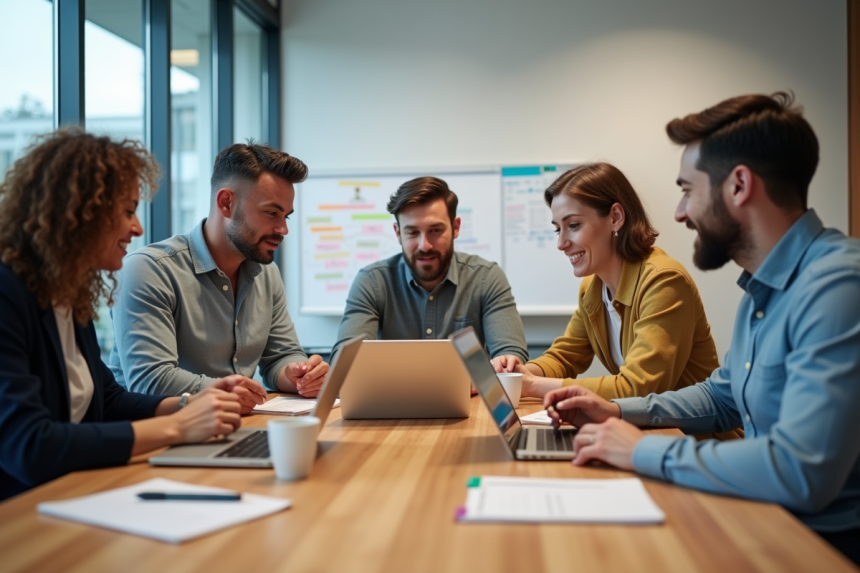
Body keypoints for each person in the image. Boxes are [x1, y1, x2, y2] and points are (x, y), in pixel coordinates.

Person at [544, 93, 860, 565]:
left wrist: (645, 453)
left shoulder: (837, 287)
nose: (678, 212)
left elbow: (802, 471)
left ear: (738, 186)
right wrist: (614, 409)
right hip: (766, 514)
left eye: (688, 190)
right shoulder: (764, 287)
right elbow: (722, 398)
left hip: (818, 544)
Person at [0, 129, 245, 500]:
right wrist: (177, 427)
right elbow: (30, 445)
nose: (138, 227)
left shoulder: (68, 294)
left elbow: (108, 400)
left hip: (77, 490)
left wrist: (190, 404)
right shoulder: (7, 294)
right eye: (128, 211)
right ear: (80, 212)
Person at [109, 143, 329, 406]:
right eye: (271, 213)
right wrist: (233, 391)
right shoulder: (148, 270)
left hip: (237, 426)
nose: (282, 229)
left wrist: (299, 374)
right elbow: (151, 381)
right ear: (226, 203)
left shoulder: (267, 273)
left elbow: (281, 357)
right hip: (161, 436)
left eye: (286, 217)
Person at [331, 176, 528, 364]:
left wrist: (507, 363)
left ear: (456, 227)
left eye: (435, 230)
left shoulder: (486, 277)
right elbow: (344, 362)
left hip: (469, 398)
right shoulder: (372, 282)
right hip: (393, 398)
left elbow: (511, 354)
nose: (424, 245)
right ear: (398, 233)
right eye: (412, 232)